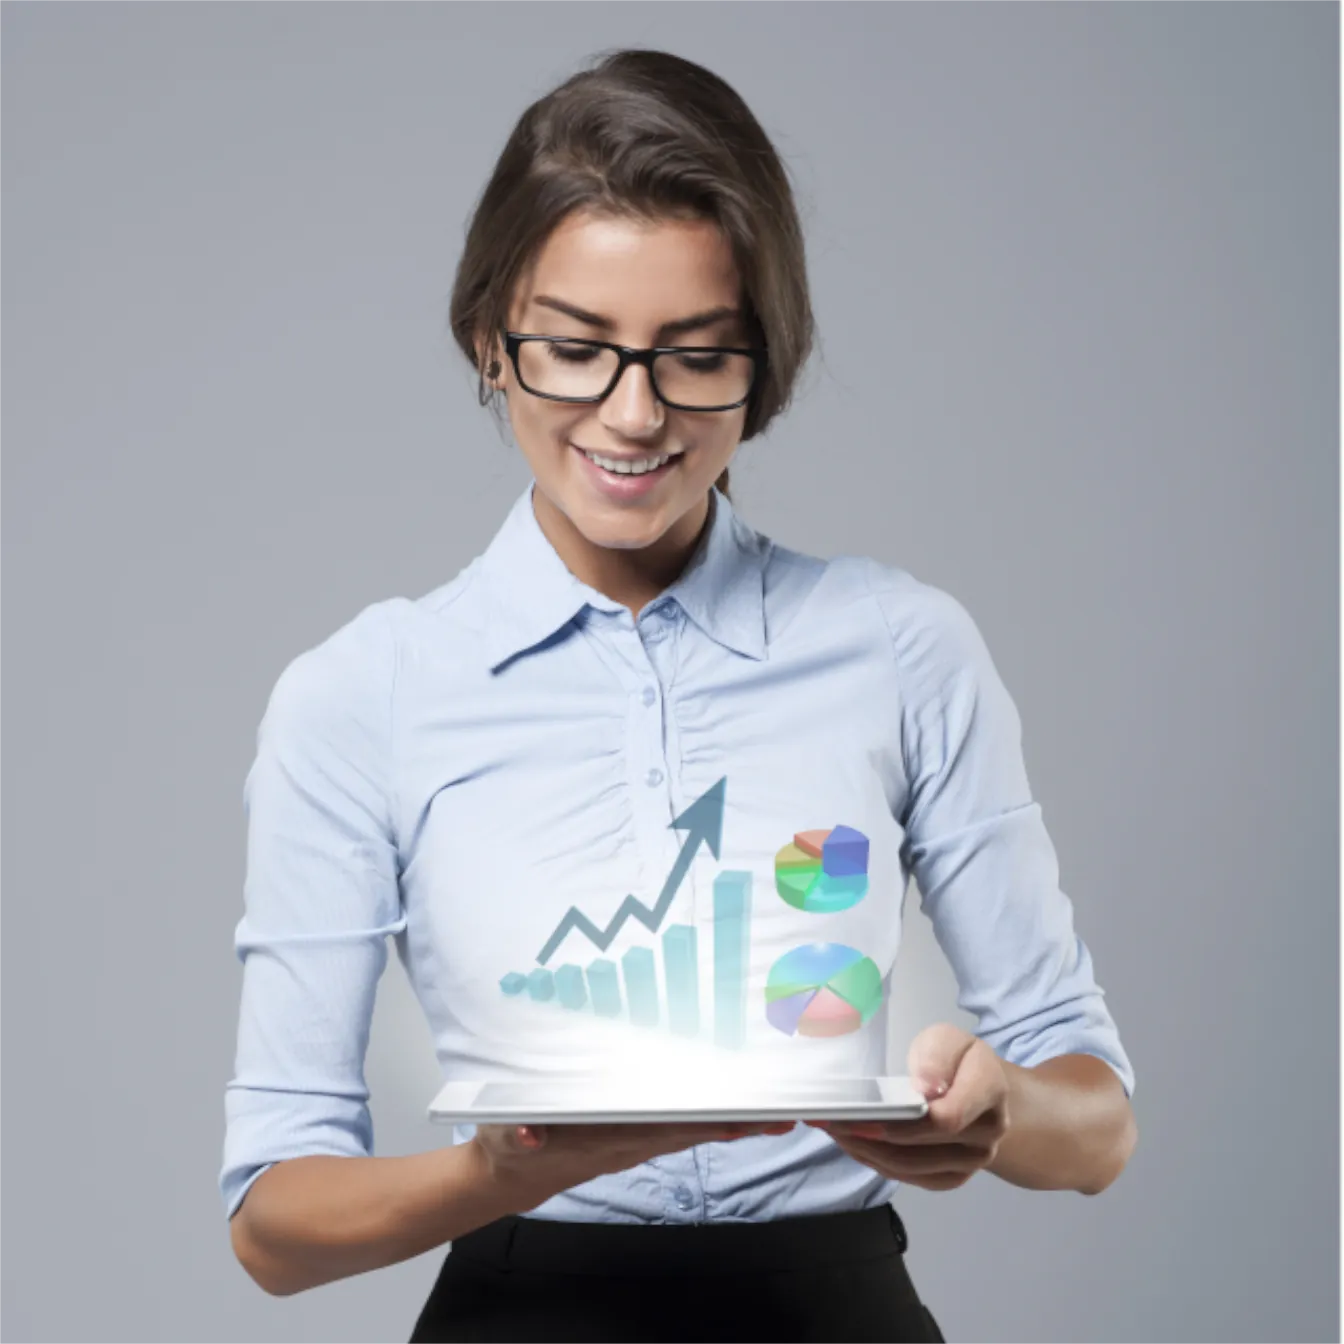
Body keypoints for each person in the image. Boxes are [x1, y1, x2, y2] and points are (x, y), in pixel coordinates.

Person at [220, 47, 1137, 1343]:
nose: (634, 414)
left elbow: (1094, 1125)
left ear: (765, 363)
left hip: (835, 1310)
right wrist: (502, 1175)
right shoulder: (360, 696)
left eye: (694, 355)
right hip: (519, 1308)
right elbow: (273, 1220)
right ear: (492, 344)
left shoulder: (903, 646)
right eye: (576, 352)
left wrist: (999, 1116)